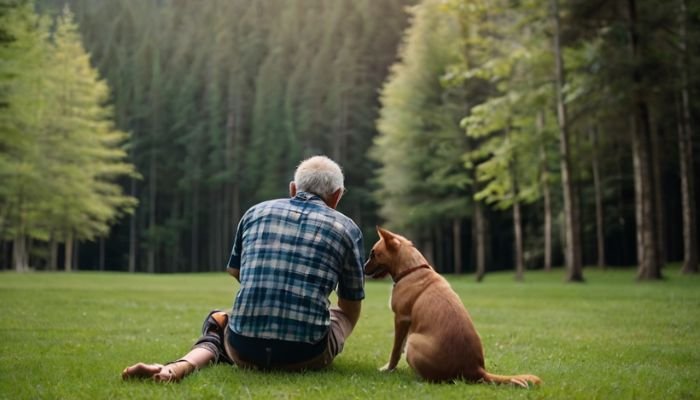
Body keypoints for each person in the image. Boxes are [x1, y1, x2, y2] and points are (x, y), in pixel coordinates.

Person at [122, 155, 365, 382]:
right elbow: (351, 302)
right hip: (306, 356)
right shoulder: (347, 229)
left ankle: (177, 367)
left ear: (293, 189)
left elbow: (238, 272)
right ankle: (298, 350)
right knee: (340, 313)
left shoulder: (254, 213)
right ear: (337, 196)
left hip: (244, 350)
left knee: (219, 322)